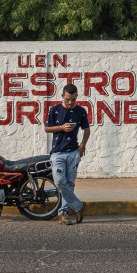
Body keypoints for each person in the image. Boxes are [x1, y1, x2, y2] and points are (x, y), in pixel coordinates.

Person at [44, 83, 91, 225]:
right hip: (57, 153)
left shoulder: (81, 111)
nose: (70, 103)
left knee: (69, 184)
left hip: (73, 152)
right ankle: (78, 206)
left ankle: (63, 214)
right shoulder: (55, 110)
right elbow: (47, 128)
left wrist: (83, 144)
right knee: (59, 181)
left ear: (77, 96)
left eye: (73, 100)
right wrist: (62, 128)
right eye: (67, 99)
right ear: (62, 97)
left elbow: (86, 129)